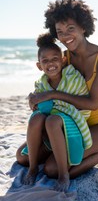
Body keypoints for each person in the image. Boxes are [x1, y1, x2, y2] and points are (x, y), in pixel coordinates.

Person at [16, 0, 98, 183]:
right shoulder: (63, 58)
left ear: (83, 26)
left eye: (70, 28)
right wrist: (36, 98)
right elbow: (49, 83)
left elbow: (94, 103)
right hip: (69, 122)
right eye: (60, 31)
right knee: (23, 156)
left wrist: (51, 94)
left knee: (52, 169)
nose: (65, 36)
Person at [21, 33, 92, 191]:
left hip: (72, 119)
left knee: (52, 120)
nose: (50, 63)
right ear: (39, 66)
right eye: (45, 61)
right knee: (35, 119)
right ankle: (33, 168)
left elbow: (81, 105)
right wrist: (33, 102)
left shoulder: (73, 78)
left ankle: (63, 174)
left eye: (54, 58)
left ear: (63, 60)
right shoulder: (41, 84)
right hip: (50, 122)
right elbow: (37, 107)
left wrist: (52, 103)